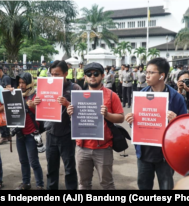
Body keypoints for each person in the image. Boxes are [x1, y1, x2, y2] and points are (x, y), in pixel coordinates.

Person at [125, 57, 187, 190]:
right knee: (143, 186)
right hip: (144, 153)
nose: (146, 75)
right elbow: (138, 123)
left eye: (151, 73)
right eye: (146, 72)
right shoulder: (141, 95)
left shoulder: (176, 98)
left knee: (166, 187)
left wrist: (175, 121)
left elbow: (184, 128)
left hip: (165, 155)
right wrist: (132, 120)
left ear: (162, 75)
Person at [67, 62, 124, 190]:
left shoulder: (111, 95)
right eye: (89, 74)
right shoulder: (78, 96)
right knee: (83, 184)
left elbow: (121, 118)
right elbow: (76, 120)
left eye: (96, 74)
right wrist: (70, 113)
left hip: (103, 148)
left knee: (107, 185)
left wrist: (107, 114)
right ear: (85, 77)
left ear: (102, 76)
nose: (92, 76)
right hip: (82, 147)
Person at [34, 60, 81, 190]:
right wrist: (36, 102)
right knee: (51, 167)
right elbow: (37, 107)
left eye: (57, 74)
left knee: (69, 167)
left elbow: (82, 112)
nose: (54, 77)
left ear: (66, 73)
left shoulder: (74, 88)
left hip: (67, 134)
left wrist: (67, 103)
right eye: (52, 74)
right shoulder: (45, 87)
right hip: (51, 133)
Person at [13, 72, 45, 190]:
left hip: (31, 134)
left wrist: (35, 106)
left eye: (24, 82)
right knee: (23, 161)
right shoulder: (15, 95)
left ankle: (39, 185)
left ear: (30, 83)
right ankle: (26, 183)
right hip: (20, 134)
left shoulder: (35, 96)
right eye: (19, 82)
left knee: (34, 162)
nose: (21, 85)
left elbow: (43, 115)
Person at [0, 64, 12, 145]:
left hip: (5, 101)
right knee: (3, 119)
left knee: (2, 119)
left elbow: (9, 88)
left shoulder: (6, 78)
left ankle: (4, 136)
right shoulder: (0, 79)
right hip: (1, 101)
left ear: (0, 70)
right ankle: (7, 135)